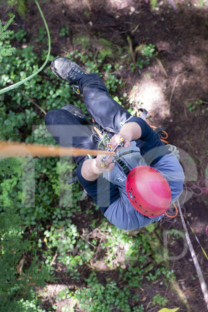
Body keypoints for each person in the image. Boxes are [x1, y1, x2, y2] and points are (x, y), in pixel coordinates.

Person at [44, 57, 185, 231]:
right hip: (129, 140)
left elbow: (88, 181)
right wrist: (125, 134)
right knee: (95, 100)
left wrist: (96, 166)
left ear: (132, 198)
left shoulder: (125, 218)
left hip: (103, 169)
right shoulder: (173, 177)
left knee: (55, 119)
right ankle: (83, 81)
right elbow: (145, 132)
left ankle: (83, 124)